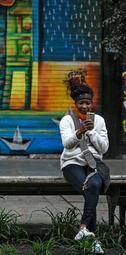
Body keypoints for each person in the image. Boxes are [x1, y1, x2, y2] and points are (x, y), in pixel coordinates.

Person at [59, 80, 108, 254]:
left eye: (88, 103)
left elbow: (104, 148)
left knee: (93, 186)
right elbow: (67, 144)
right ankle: (91, 237)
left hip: (93, 163)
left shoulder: (99, 121)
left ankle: (84, 229)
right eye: (81, 103)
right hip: (72, 163)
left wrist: (92, 132)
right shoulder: (67, 120)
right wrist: (79, 131)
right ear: (76, 104)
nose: (85, 106)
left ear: (92, 103)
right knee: (90, 188)